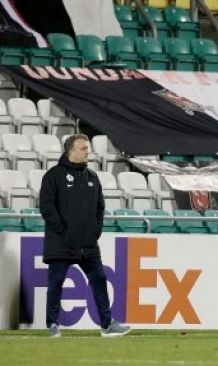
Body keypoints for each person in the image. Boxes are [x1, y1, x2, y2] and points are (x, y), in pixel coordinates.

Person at [40, 134, 130, 338]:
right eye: (83, 148)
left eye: (87, 148)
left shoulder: (92, 177)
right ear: (71, 151)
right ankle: (52, 324)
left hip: (88, 243)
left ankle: (107, 325)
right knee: (56, 282)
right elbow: (46, 207)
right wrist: (64, 231)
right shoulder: (53, 176)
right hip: (61, 243)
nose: (87, 152)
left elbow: (100, 206)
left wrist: (96, 230)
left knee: (99, 278)